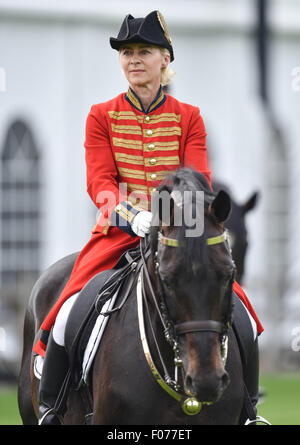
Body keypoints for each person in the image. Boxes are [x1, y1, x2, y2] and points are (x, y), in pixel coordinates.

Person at [34, 11, 263, 425]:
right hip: (118, 233)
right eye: (126, 53)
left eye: (144, 51)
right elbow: (100, 183)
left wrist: (162, 219)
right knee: (67, 308)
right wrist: (131, 217)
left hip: (183, 230)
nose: (133, 59)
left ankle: (247, 411)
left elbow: (196, 182)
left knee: (242, 312)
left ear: (165, 60)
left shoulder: (189, 116)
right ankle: (52, 405)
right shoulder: (100, 116)